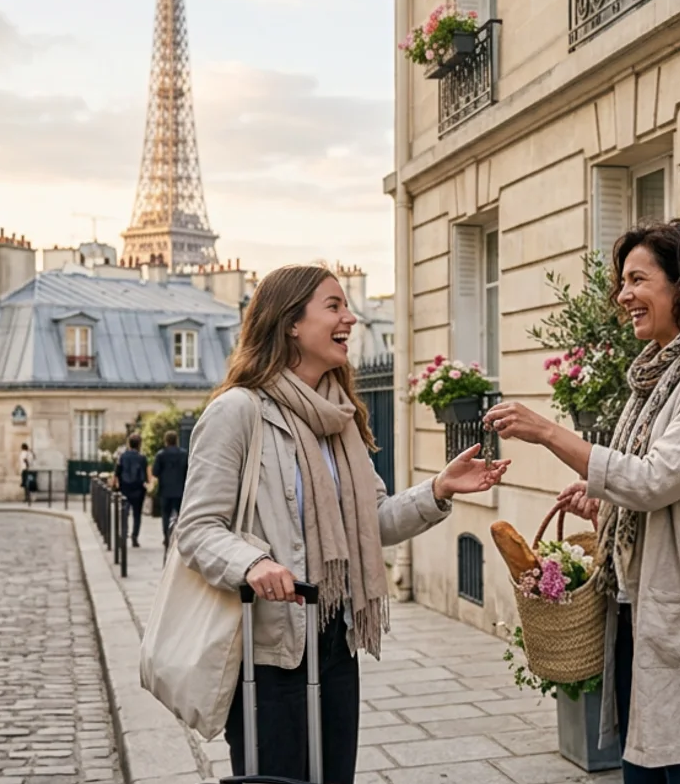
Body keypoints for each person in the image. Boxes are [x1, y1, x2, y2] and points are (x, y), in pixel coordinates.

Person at [177, 264, 508, 784]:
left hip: (336, 636)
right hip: (270, 648)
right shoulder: (238, 413)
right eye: (333, 306)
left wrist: (438, 489)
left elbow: (371, 523)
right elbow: (196, 529)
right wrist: (253, 563)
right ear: (290, 322)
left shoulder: (340, 416)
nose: (350, 318)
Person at [484, 220, 680, 784]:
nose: (623, 296)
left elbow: (656, 479)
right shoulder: (657, 375)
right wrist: (603, 503)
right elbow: (650, 483)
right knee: (643, 770)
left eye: (638, 279)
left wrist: (548, 432)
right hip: (642, 613)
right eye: (622, 282)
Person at [151, 429, 188, 550]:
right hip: (180, 490)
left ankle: (166, 537)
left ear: (166, 441)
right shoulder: (184, 454)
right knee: (182, 516)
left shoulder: (161, 455)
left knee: (165, 515)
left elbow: (155, 472)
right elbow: (188, 471)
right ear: (176, 440)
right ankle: (181, 538)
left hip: (165, 490)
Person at [115, 434, 148, 548]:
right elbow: (144, 475)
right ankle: (135, 537)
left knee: (124, 512)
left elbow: (117, 472)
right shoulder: (142, 457)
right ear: (139, 444)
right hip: (138, 489)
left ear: (129, 443)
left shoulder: (122, 456)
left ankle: (124, 534)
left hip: (125, 487)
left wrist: (117, 484)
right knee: (137, 515)